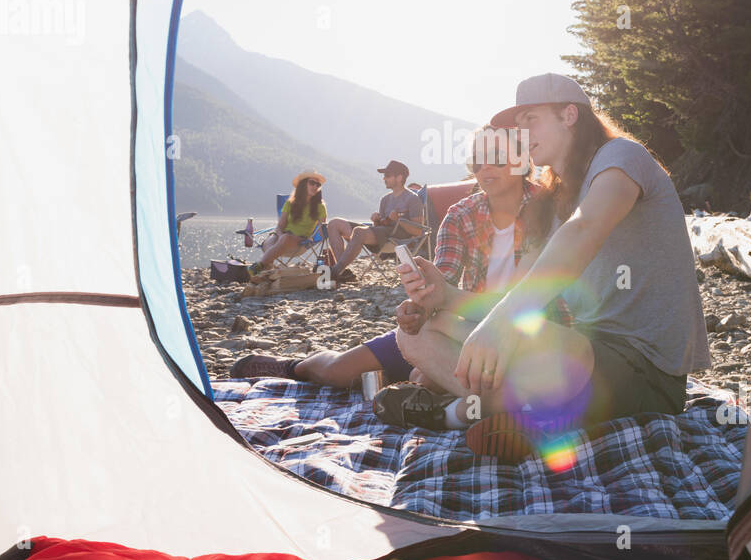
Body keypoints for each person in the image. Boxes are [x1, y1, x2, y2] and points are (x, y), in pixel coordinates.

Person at [381, 73, 709, 461]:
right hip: (579, 351)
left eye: (530, 119)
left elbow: (585, 229)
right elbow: (519, 297)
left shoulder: (621, 157)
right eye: (518, 125)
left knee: (535, 346)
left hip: (645, 371)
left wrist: (503, 322)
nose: (522, 132)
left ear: (569, 115)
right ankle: (520, 415)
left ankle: (456, 413)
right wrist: (446, 296)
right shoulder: (555, 200)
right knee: (416, 334)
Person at [230, 130, 563, 388]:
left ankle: (415, 385)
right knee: (338, 371)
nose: (485, 169)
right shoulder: (462, 214)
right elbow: (442, 279)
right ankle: (290, 367)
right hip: (463, 326)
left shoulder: (552, 210)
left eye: (496, 158)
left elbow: (544, 296)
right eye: (478, 162)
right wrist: (418, 306)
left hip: (530, 335)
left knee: (428, 379)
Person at [325, 160, 424, 282]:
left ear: (399, 177)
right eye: (384, 176)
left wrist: (399, 220)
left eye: (387, 175)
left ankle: (335, 271)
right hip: (381, 235)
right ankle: (342, 272)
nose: (384, 179)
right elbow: (379, 226)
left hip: (396, 239)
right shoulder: (385, 200)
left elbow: (418, 231)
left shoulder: (413, 199)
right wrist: (377, 220)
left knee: (359, 232)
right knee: (334, 223)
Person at [248, 171, 327, 276]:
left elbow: (323, 229)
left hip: (300, 241)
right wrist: (280, 236)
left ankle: (258, 266)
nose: (315, 186)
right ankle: (268, 269)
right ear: (303, 185)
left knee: (285, 238)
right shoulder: (290, 203)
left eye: (318, 184)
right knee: (267, 243)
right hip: (282, 237)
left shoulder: (320, 207)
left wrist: (323, 239)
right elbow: (280, 226)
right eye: (312, 183)